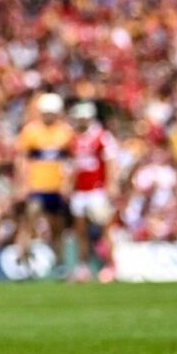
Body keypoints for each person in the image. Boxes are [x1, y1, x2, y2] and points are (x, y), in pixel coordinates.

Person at [13, 92, 74, 273]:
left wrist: (67, 184)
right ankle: (23, 260)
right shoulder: (31, 132)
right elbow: (22, 160)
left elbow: (71, 162)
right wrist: (23, 185)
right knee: (29, 222)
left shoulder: (65, 132)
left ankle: (59, 262)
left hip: (56, 188)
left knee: (57, 227)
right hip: (36, 187)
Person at [67, 101, 119, 282]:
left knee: (105, 229)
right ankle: (83, 266)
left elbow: (111, 161)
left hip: (97, 190)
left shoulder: (102, 137)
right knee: (80, 230)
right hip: (80, 191)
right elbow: (73, 166)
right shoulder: (74, 138)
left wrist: (111, 184)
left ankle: (111, 265)